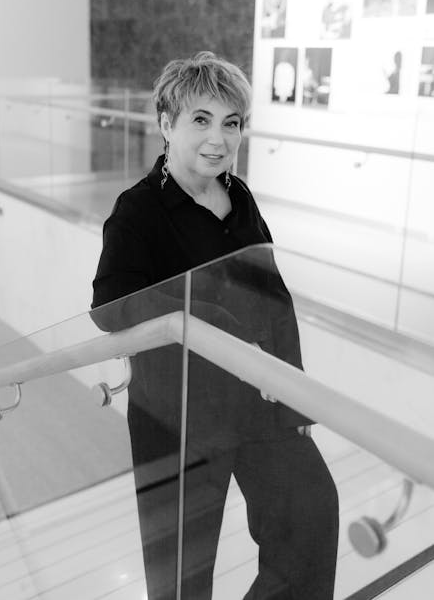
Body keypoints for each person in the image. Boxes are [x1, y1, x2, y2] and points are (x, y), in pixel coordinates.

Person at [91, 52, 339, 600]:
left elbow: (274, 297)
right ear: (165, 123)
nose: (218, 138)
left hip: (259, 401)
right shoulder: (137, 213)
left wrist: (293, 392)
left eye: (231, 123)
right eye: (200, 120)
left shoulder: (239, 194)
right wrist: (213, 321)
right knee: (181, 578)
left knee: (311, 519)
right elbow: (109, 309)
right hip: (177, 415)